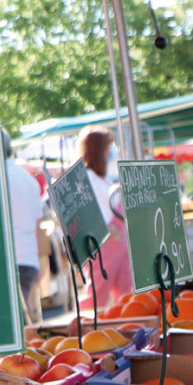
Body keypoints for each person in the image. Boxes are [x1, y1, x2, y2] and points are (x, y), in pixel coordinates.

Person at [0, 119, 44, 323]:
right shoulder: (29, 180)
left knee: (4, 326)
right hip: (26, 260)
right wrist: (39, 263)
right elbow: (37, 228)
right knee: (17, 325)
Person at [77, 125, 132, 310]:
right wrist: (110, 230)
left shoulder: (103, 179)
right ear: (99, 150)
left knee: (125, 295)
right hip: (103, 246)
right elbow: (88, 214)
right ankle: (88, 332)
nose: (112, 150)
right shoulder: (88, 179)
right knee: (97, 296)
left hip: (117, 245)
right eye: (109, 146)